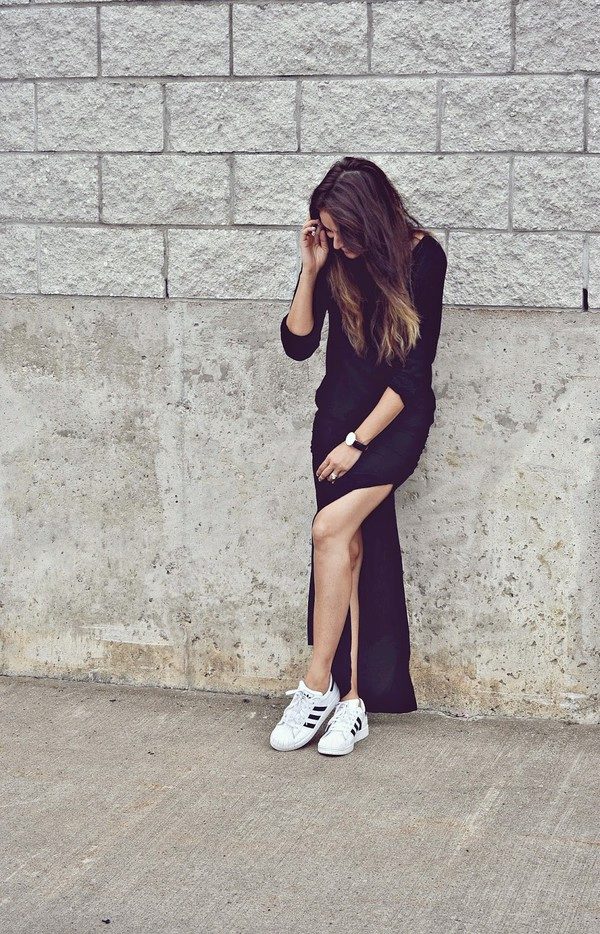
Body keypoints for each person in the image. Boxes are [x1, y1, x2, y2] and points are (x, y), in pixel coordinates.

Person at [270, 156, 448, 756]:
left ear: (368, 219)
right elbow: (298, 345)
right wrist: (310, 268)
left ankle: (315, 684)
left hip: (391, 424)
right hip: (335, 423)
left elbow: (414, 372)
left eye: (342, 232)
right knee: (345, 549)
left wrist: (358, 444)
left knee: (328, 529)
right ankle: (349, 704)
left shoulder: (423, 257)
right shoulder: (333, 259)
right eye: (326, 231)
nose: (337, 242)